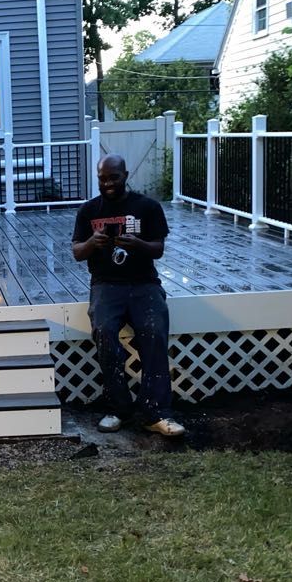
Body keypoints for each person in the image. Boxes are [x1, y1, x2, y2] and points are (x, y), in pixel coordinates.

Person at [71, 154, 185, 437]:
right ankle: (117, 409)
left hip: (143, 283)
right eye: (102, 178)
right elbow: (76, 252)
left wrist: (138, 244)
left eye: (113, 177)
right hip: (105, 285)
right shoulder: (89, 211)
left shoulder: (146, 207)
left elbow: (158, 249)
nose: (107, 183)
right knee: (105, 333)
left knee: (154, 331)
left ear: (126, 175)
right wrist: (91, 243)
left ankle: (155, 412)